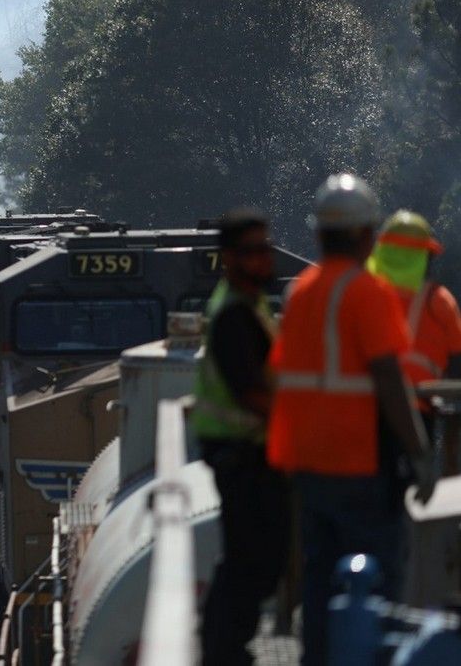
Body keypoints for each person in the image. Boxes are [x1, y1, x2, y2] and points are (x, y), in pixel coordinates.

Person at [266, 174, 437, 666]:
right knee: (377, 581)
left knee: (320, 576)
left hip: (307, 462)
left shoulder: (301, 293)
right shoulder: (367, 292)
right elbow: (389, 380)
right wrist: (420, 452)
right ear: (367, 235)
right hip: (359, 463)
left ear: (319, 234)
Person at [192, 208, 288, 666]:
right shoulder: (234, 313)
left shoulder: (249, 303)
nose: (263, 258)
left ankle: (224, 646)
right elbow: (250, 391)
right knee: (253, 559)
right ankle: (224, 650)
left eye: (265, 248)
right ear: (228, 257)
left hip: (246, 449)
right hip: (240, 453)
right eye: (252, 251)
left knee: (252, 558)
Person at [369, 210, 461, 473]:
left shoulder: (366, 295)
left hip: (371, 409)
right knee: (414, 480)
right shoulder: (439, 301)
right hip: (420, 409)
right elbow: (458, 361)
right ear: (428, 256)